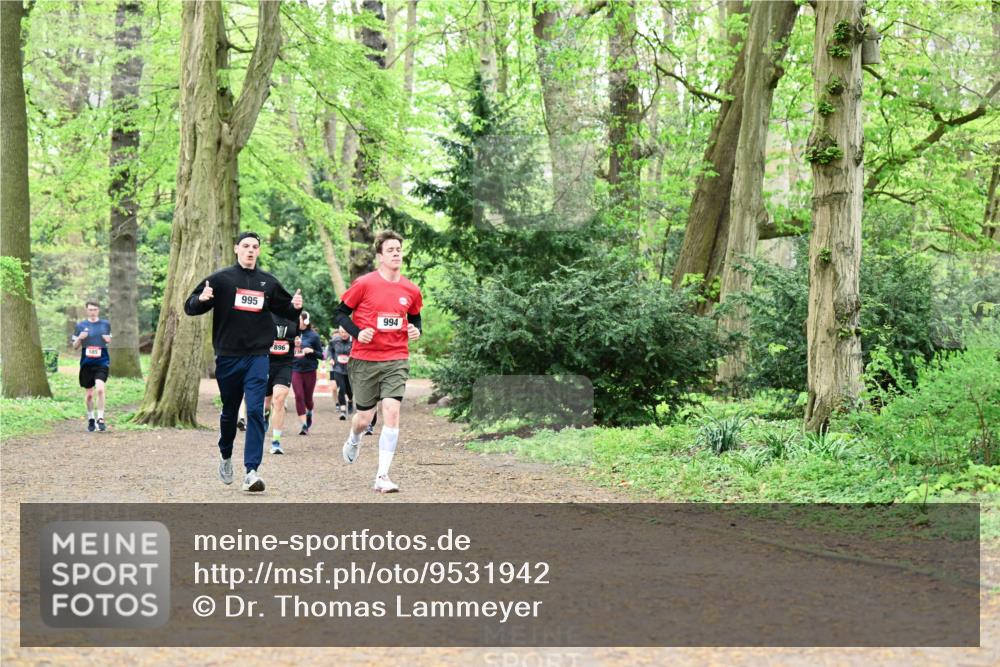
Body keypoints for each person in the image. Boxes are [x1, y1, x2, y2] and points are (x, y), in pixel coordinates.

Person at [184, 231, 302, 493]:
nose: (250, 250)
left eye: (255, 247)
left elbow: (287, 311)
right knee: (229, 413)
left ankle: (252, 471)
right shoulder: (221, 279)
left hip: (258, 356)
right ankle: (226, 454)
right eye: (246, 246)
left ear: (259, 251)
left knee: (255, 411)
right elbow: (190, 305)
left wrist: (295, 306)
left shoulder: (268, 283)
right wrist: (201, 300)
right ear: (236, 249)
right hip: (228, 357)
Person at [335, 230, 422, 493]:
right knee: (364, 417)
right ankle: (354, 437)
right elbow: (341, 313)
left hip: (396, 358)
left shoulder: (411, 289)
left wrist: (416, 330)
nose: (396, 253)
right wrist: (357, 332)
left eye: (399, 249)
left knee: (392, 412)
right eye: (391, 250)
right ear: (380, 256)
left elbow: (415, 318)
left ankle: (382, 476)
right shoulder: (364, 284)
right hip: (364, 359)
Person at [72, 301, 112, 432]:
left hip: (102, 362)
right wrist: (80, 338)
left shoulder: (105, 324)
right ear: (86, 310)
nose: (93, 311)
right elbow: (75, 346)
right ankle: (91, 419)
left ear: (98, 310)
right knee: (89, 395)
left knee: (100, 389)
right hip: (86, 364)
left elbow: (109, 340)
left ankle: (100, 418)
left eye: (95, 309)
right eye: (90, 309)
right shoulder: (81, 325)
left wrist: (107, 339)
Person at [265, 313, 299, 455]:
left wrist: (297, 341)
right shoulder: (265, 314)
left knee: (279, 399)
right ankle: (266, 414)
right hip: (265, 362)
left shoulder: (293, 317)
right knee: (266, 403)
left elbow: (299, 335)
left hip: (285, 364)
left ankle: (276, 441)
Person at [291, 311, 323, 435]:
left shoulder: (314, 336)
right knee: (299, 396)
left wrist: (312, 351)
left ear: (305, 321)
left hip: (310, 370)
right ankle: (304, 425)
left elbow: (322, 355)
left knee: (308, 399)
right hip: (295, 370)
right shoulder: (292, 334)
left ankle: (309, 411)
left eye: (299, 319)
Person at [328, 326, 353, 420]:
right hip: (338, 368)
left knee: (349, 390)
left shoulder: (353, 341)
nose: (344, 334)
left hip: (349, 369)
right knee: (341, 389)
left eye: (346, 332)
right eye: (341, 332)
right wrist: (331, 358)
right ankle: (343, 411)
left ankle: (350, 400)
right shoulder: (335, 340)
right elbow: (330, 350)